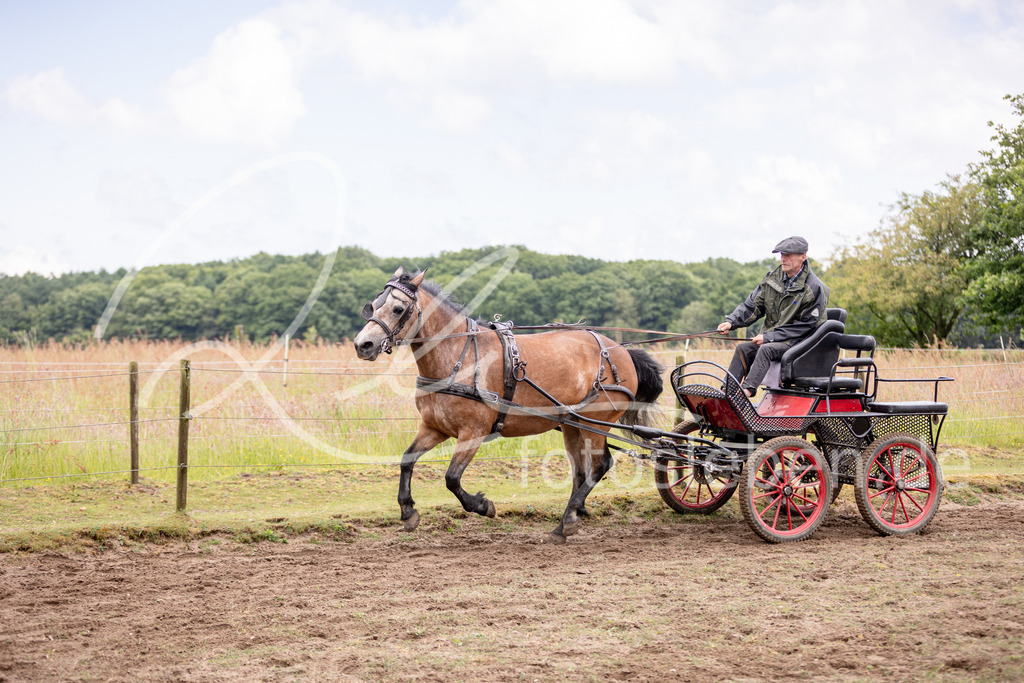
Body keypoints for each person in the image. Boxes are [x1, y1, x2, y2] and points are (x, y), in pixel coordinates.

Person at [717, 236, 829, 398]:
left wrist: (769, 337)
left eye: (789, 255)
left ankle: (745, 393)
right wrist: (731, 322)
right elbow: (752, 306)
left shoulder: (814, 288)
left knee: (766, 349)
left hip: (800, 343)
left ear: (803, 257)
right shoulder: (772, 280)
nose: (783, 259)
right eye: (782, 254)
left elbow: (806, 326)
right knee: (744, 348)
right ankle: (727, 392)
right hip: (775, 339)